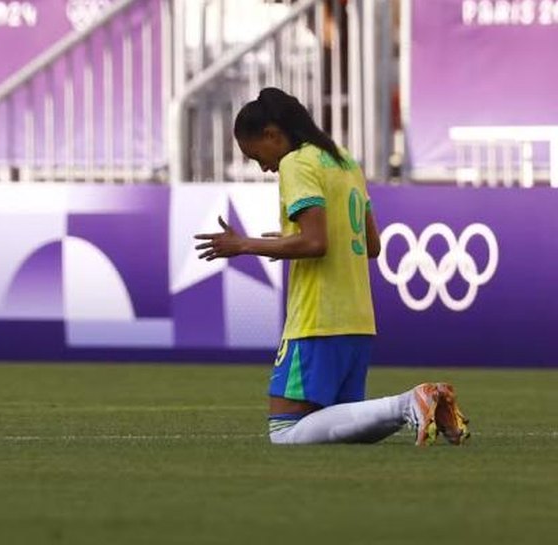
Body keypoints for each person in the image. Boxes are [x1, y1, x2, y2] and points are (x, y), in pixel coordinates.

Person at [193, 87, 469, 446]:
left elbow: (314, 243)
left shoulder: (297, 163)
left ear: (273, 135)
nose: (262, 166)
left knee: (285, 430)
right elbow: (371, 245)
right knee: (341, 428)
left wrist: (243, 244)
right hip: (357, 319)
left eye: (256, 155)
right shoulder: (343, 160)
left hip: (317, 318)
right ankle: (421, 404)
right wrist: (286, 238)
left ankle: (410, 403)